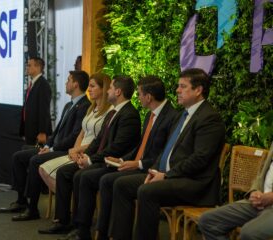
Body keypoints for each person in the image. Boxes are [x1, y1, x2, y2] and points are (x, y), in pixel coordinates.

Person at [109, 68, 226, 240]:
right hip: (171, 176)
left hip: (195, 183)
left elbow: (200, 159)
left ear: (198, 90)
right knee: (121, 184)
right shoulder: (182, 115)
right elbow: (166, 151)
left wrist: (166, 175)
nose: (177, 90)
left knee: (147, 191)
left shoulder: (209, 118)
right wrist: (154, 171)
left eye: (183, 86)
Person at [43, 76, 142, 239]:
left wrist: (90, 160)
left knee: (83, 176)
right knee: (67, 172)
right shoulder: (114, 112)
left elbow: (117, 147)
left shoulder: (129, 114)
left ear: (118, 91)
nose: (107, 91)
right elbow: (98, 141)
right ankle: (72, 224)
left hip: (114, 162)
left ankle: (83, 230)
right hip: (102, 158)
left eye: (109, 88)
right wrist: (86, 156)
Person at [0, 70, 90, 221]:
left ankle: (32, 209)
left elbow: (74, 136)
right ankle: (21, 201)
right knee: (20, 154)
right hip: (55, 147)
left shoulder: (85, 106)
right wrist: (47, 145)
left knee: (34, 160)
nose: (66, 83)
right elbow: (58, 130)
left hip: (66, 151)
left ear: (76, 84)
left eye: (68, 80)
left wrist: (52, 148)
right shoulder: (69, 105)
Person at [94, 76, 178, 239]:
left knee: (115, 181)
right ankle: (105, 233)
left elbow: (164, 154)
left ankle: (117, 235)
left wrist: (138, 164)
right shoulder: (149, 115)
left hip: (153, 169)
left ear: (148, 97)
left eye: (139, 94)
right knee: (107, 178)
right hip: (140, 165)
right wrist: (124, 160)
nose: (137, 98)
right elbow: (141, 146)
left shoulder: (172, 117)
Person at [38, 73, 112, 193]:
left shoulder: (110, 111)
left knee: (55, 171)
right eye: (89, 86)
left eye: (92, 86)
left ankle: (67, 201)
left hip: (90, 153)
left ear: (103, 89)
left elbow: (100, 140)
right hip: (78, 151)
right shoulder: (91, 108)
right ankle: (67, 198)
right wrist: (75, 150)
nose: (88, 89)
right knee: (42, 169)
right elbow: (81, 133)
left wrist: (78, 150)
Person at [198, 142, 273, 240]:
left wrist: (270, 197)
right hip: (260, 203)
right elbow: (262, 173)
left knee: (249, 233)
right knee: (208, 221)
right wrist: (254, 191)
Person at [19, 57, 52, 146]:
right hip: (29, 130)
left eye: (29, 65)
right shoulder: (33, 84)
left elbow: (44, 110)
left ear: (38, 67)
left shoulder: (43, 85)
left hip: (37, 133)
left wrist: (42, 132)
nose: (27, 67)